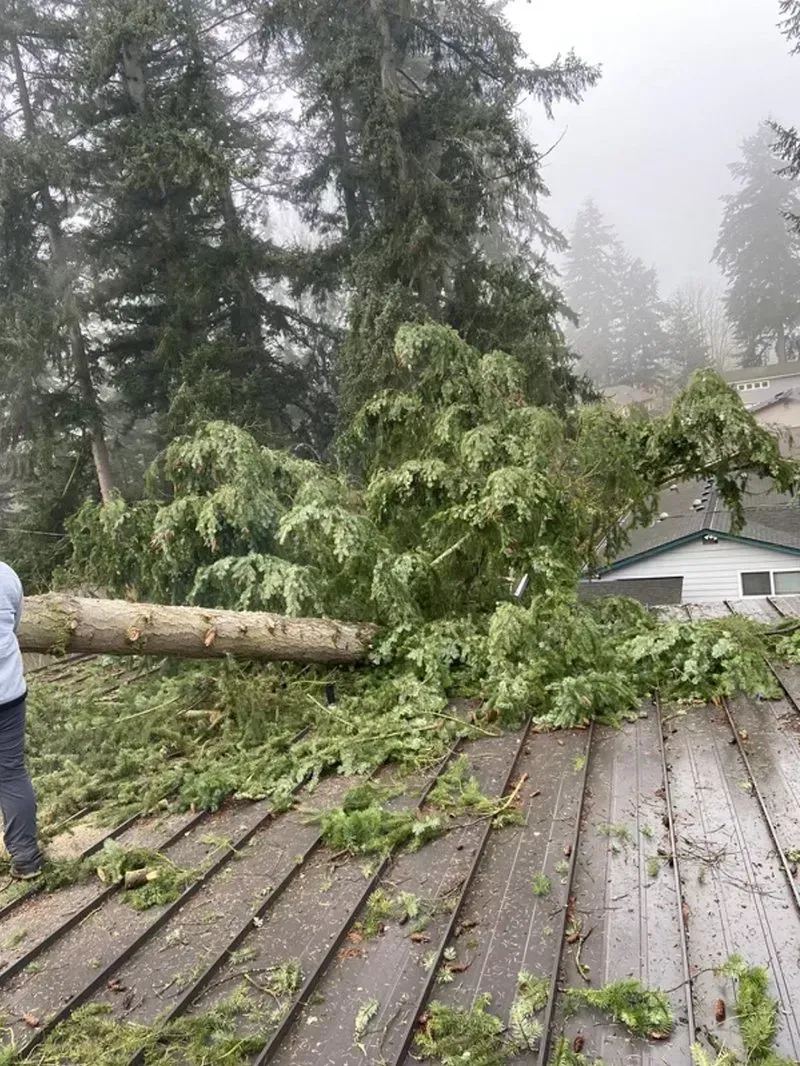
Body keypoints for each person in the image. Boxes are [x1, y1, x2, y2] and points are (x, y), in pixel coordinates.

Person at [0, 561, 42, 878]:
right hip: (8, 694)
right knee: (12, 773)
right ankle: (27, 859)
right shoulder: (6, 575)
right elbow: (15, 625)